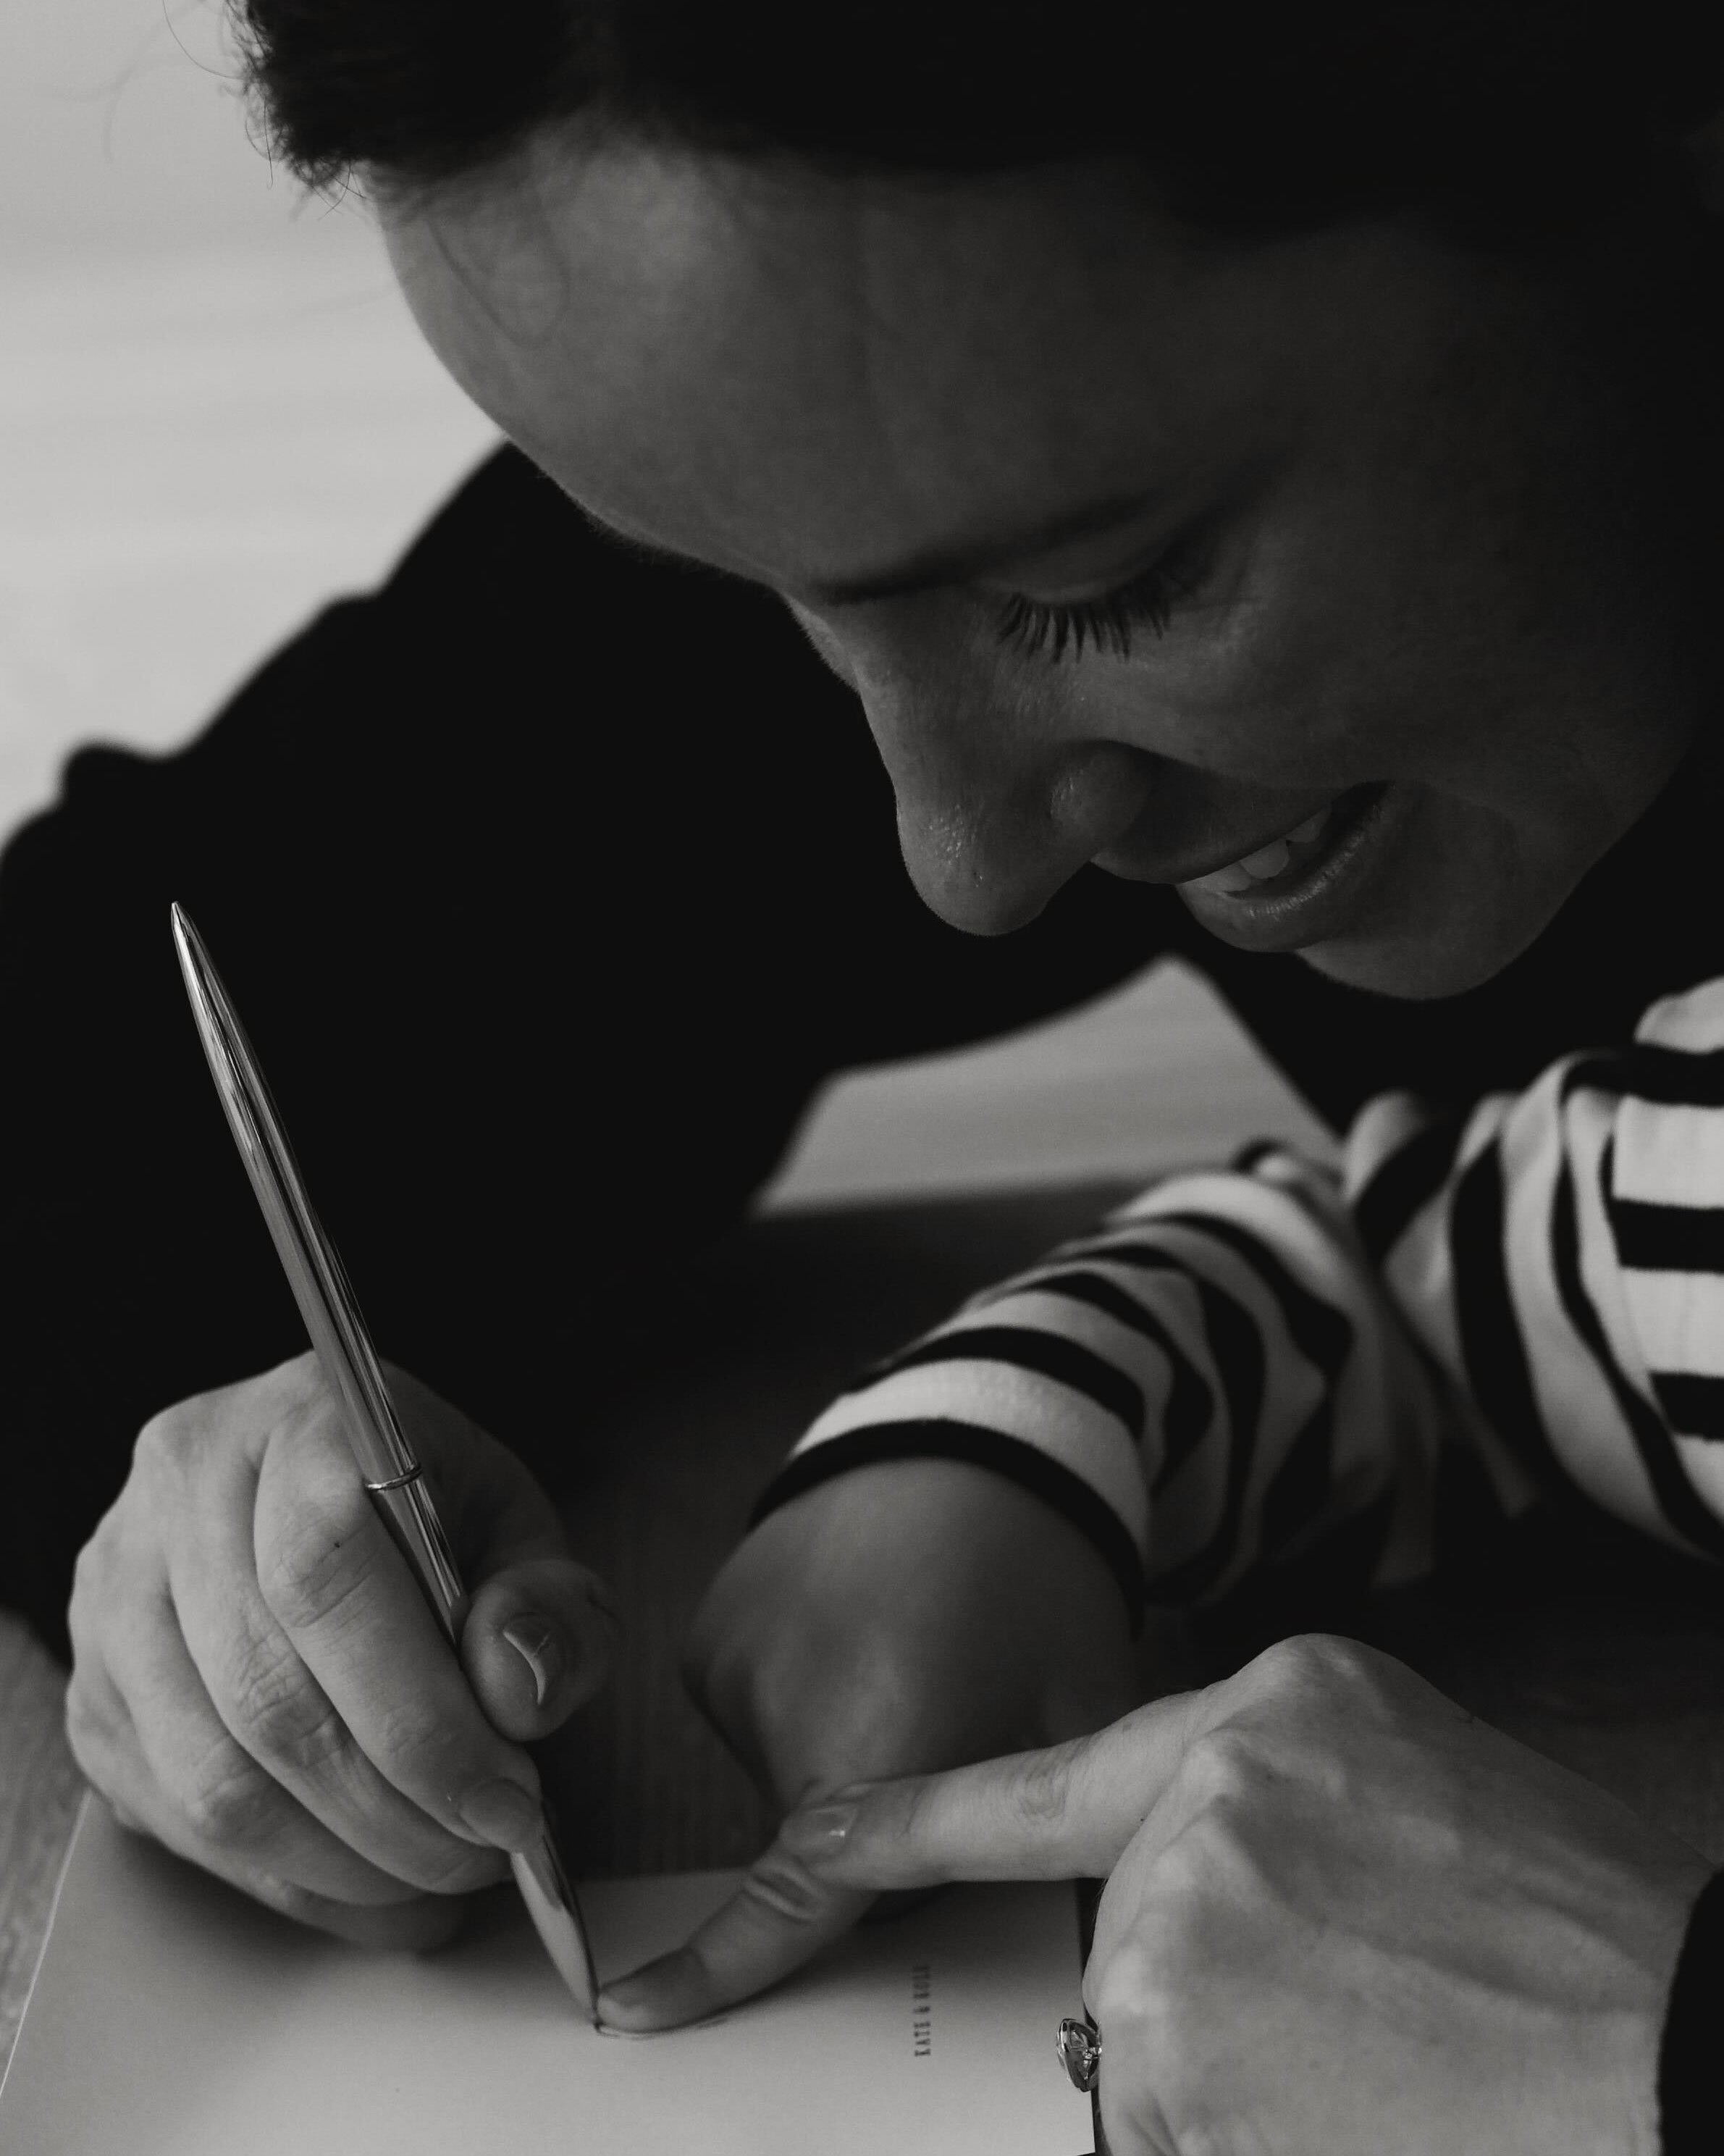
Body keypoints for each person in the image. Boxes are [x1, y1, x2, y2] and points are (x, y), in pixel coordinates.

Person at [9, 1, 1724, 2145]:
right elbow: (89, 1061)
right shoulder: (923, 374)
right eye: (774, 608)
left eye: (1110, 586)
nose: (962, 867)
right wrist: (237, 1548)